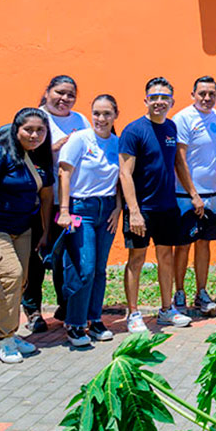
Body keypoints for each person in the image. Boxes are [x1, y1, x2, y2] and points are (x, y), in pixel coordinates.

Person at [0, 108, 53, 364]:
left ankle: (11, 332)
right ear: (16, 129)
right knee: (11, 276)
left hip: (23, 228)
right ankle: (2, 338)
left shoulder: (38, 157)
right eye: (28, 129)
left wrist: (45, 232)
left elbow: (46, 196)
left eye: (40, 130)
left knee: (20, 281)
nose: (34, 134)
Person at [118, 77, 194, 332]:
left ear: (171, 101)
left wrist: (193, 193)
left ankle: (165, 310)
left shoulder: (171, 128)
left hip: (167, 207)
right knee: (136, 260)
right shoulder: (134, 130)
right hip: (142, 210)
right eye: (154, 97)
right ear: (146, 100)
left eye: (164, 98)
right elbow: (125, 173)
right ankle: (133, 313)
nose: (159, 102)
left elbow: (178, 165)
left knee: (166, 258)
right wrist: (135, 212)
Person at [23, 75, 89, 334]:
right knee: (37, 256)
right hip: (40, 201)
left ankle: (64, 305)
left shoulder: (81, 120)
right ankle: (33, 310)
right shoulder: (36, 117)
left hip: (71, 201)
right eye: (59, 92)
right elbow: (22, 150)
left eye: (70, 95)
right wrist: (52, 148)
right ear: (47, 91)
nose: (65, 99)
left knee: (67, 255)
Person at [57, 95, 122, 347]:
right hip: (79, 208)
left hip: (106, 209)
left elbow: (120, 179)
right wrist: (64, 211)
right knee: (83, 267)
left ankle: (94, 319)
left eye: (106, 114)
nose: (101, 119)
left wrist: (117, 208)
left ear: (115, 115)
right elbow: (64, 173)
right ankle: (74, 323)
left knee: (99, 269)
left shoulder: (117, 143)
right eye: (96, 113)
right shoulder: (80, 139)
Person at [173, 76, 216, 317]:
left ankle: (201, 292)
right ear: (193, 94)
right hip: (186, 195)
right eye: (202, 93)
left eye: (211, 94)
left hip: (213, 193)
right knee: (183, 245)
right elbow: (179, 159)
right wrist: (193, 194)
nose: (206, 98)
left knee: (204, 245)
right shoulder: (183, 118)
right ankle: (179, 292)